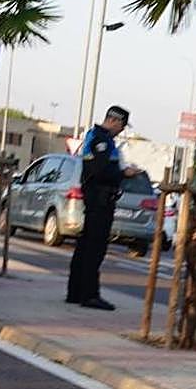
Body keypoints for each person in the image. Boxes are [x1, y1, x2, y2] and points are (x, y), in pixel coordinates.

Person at [67, 105, 141, 310]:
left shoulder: (97, 137)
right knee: (94, 248)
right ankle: (89, 294)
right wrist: (124, 174)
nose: (122, 130)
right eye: (122, 126)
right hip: (100, 200)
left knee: (85, 246)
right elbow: (99, 171)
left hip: (97, 199)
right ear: (115, 121)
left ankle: (75, 292)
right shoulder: (101, 140)